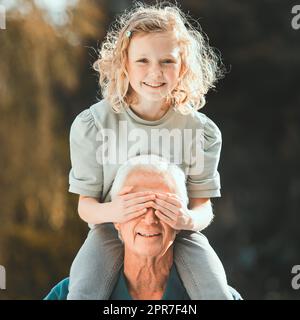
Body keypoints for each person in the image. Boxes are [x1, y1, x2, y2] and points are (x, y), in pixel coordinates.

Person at [68, 2, 231, 300]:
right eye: (142, 60)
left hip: (177, 232)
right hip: (110, 231)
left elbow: (203, 207)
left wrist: (187, 220)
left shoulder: (201, 131)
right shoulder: (93, 124)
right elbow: (85, 206)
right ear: (124, 64)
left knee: (216, 292)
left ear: (182, 67)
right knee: (82, 291)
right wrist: (113, 212)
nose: (155, 72)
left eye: (167, 61)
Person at [45, 156, 241, 300]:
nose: (150, 219)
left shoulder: (220, 296)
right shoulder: (69, 294)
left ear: (180, 221)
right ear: (116, 220)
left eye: (163, 206)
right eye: (136, 206)